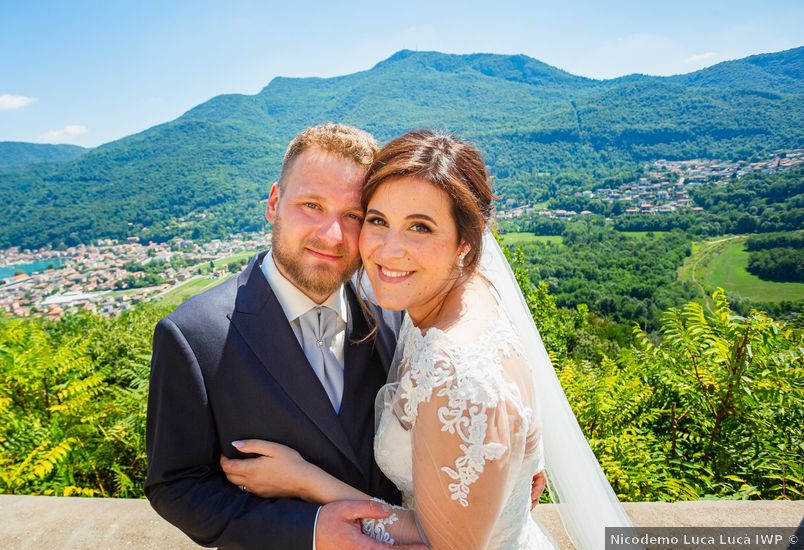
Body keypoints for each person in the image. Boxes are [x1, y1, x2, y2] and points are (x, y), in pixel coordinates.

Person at [220, 130, 633, 549]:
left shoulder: (457, 371)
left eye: (420, 227)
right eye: (377, 220)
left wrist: (306, 481)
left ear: (465, 243)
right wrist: (523, 457)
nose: (388, 250)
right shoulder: (469, 293)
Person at [145, 123, 425, 550]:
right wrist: (307, 530)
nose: (331, 235)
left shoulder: (392, 309)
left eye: (352, 216)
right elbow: (177, 487)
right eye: (311, 205)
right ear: (274, 203)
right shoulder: (194, 336)